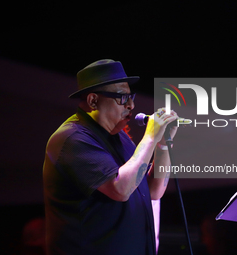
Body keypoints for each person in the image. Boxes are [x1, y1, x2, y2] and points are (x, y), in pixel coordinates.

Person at [43, 59, 179, 255]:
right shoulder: (72, 138)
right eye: (122, 97)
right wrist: (149, 137)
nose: (131, 105)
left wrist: (163, 144)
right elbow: (121, 190)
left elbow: (153, 192)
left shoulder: (120, 136)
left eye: (131, 96)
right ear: (93, 100)